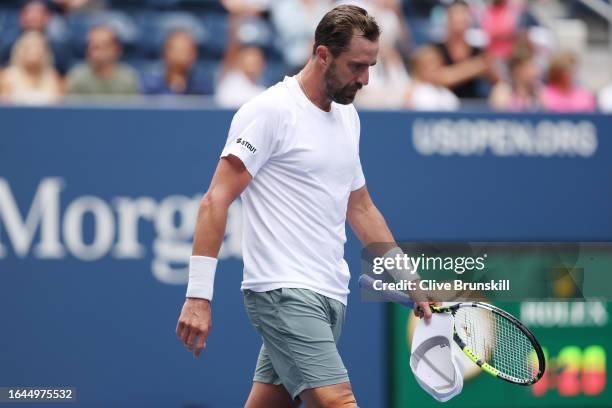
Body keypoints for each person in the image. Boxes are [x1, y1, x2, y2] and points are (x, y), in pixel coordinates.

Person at [175, 5, 434, 407]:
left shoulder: (349, 118)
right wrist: (197, 295)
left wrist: (408, 278)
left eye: (371, 67)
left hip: (330, 292)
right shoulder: (270, 111)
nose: (365, 79)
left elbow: (361, 208)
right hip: (283, 290)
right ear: (322, 54)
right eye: (356, 67)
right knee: (339, 401)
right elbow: (215, 199)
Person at [435, 0, 497, 99]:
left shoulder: (478, 51)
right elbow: (438, 78)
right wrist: (477, 66)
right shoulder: (436, 50)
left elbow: (496, 79)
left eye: (463, 14)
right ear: (448, 19)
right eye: (456, 14)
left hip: (474, 107)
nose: (460, 18)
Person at [0, 0, 71, 74]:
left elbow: (64, 74)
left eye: (39, 14)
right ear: (22, 17)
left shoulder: (57, 48)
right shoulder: (9, 44)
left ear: (47, 18)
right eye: (30, 13)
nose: (34, 17)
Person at [66, 26, 140, 96]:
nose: (97, 53)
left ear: (117, 49)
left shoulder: (128, 79)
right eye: (93, 47)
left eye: (104, 47)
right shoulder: (77, 77)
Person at [0, 31, 62, 105]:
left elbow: (58, 106)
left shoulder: (53, 77)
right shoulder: (7, 77)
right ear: (20, 51)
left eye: (39, 48)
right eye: (29, 47)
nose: (34, 52)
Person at [142, 31, 212, 96]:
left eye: (188, 51)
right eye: (179, 50)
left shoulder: (201, 91)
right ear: (165, 52)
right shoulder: (150, 89)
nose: (184, 55)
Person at [404, 45, 459, 111]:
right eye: (429, 67)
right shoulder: (414, 91)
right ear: (419, 68)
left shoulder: (447, 93)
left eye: (437, 65)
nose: (434, 70)